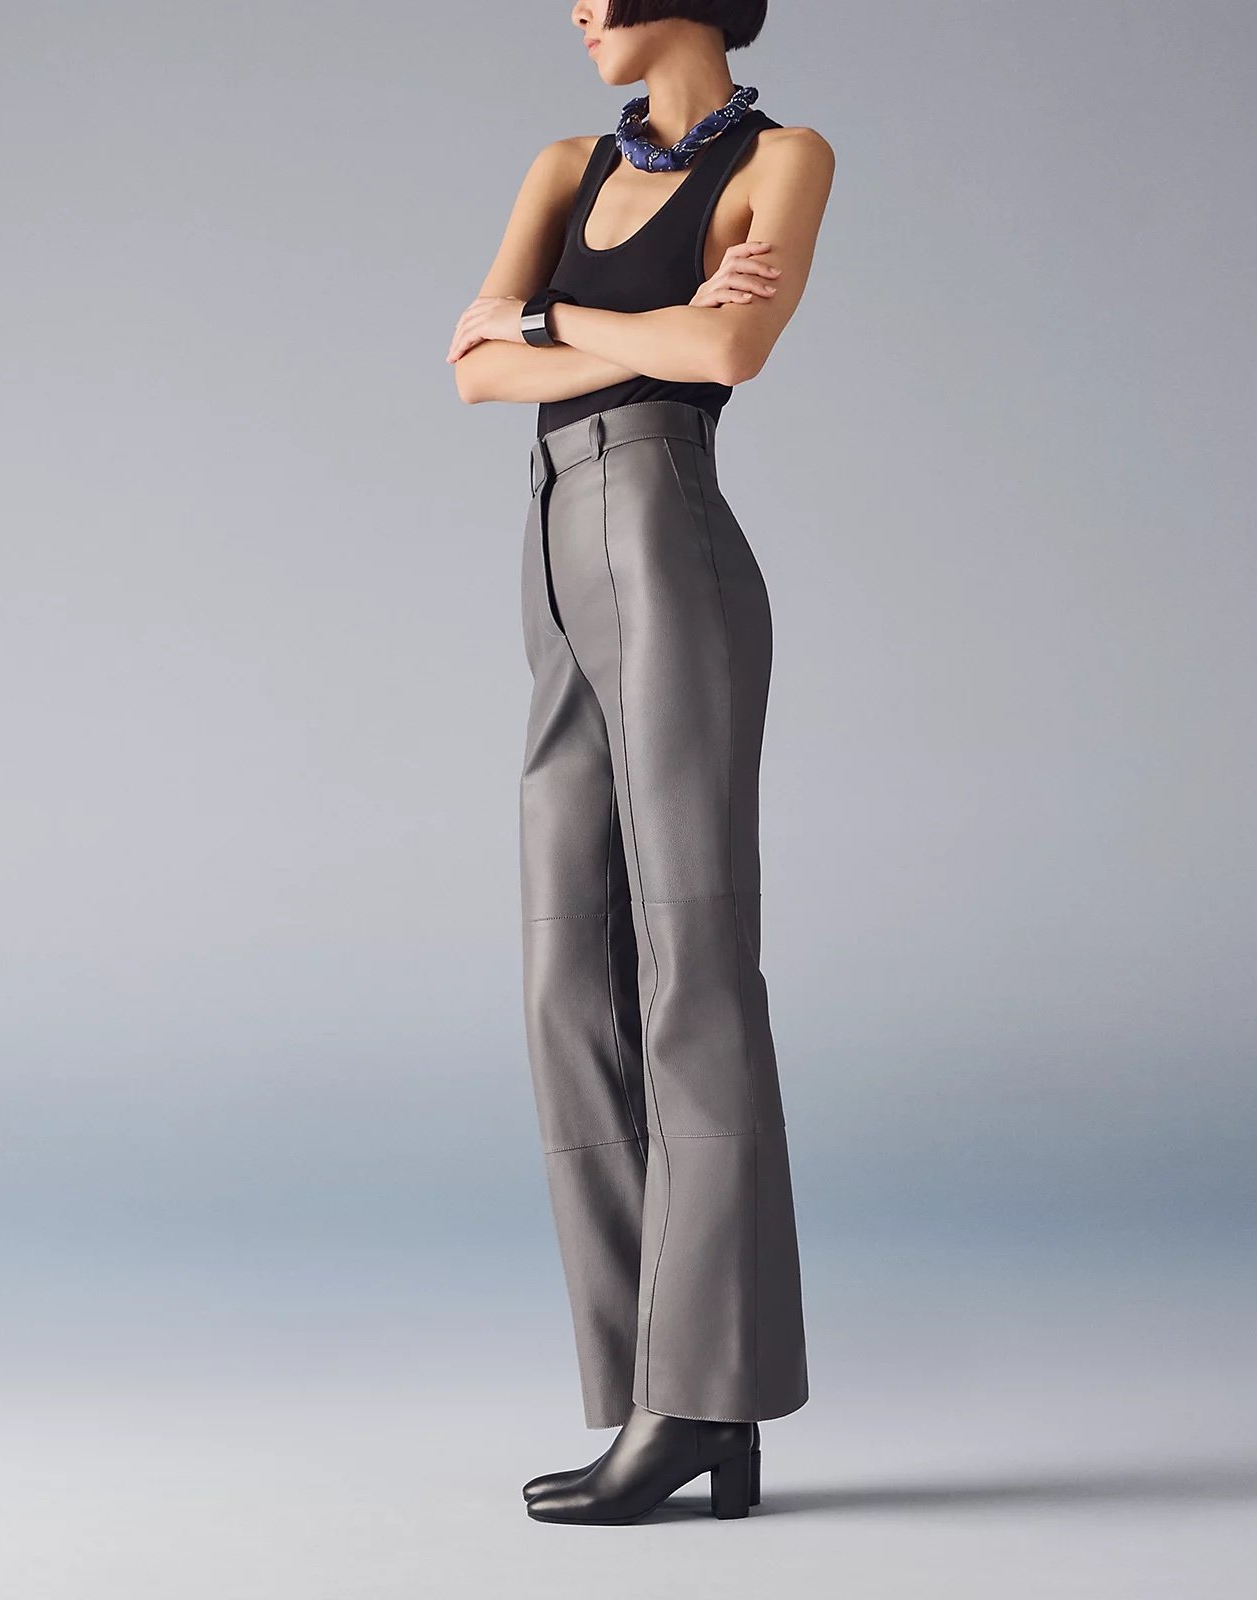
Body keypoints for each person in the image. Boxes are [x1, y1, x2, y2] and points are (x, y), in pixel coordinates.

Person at [446, 0, 834, 1525]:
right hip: (553, 549)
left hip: (667, 537)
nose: (574, 8)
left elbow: (728, 348)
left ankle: (700, 1398)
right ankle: (653, 1392)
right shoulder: (563, 166)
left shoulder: (785, 160)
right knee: (569, 977)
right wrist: (593, 334)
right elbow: (472, 367)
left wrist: (548, 323)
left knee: (692, 964)